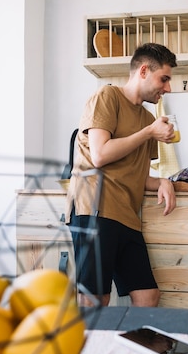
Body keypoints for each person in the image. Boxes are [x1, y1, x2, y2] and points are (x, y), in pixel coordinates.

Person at [65, 43, 178, 307]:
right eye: (164, 79)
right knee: (95, 300)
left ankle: (132, 348)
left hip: (127, 217)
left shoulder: (148, 119)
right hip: (95, 210)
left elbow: (136, 175)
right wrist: (149, 133)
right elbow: (100, 154)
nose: (168, 88)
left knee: (148, 296)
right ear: (143, 71)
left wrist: (162, 181)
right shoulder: (107, 97)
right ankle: (92, 349)